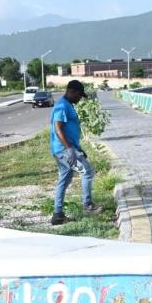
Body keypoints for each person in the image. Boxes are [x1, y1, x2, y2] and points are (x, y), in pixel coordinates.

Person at [49, 79, 102, 225]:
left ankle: (57, 215)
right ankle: (88, 206)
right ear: (72, 92)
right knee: (88, 171)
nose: (80, 99)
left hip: (66, 149)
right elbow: (58, 128)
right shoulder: (62, 106)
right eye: (79, 95)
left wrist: (77, 149)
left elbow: (68, 130)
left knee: (64, 180)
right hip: (64, 150)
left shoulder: (68, 105)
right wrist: (70, 149)